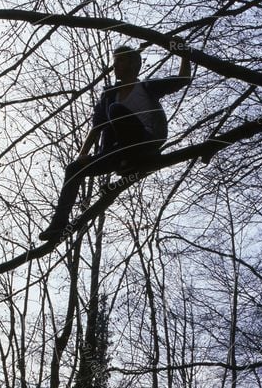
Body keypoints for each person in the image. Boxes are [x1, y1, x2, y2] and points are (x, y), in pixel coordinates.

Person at [39, 42, 192, 241]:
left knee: (116, 111)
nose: (115, 65)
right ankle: (58, 226)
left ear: (133, 64)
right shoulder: (109, 96)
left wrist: (184, 53)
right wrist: (83, 154)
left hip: (144, 143)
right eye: (114, 60)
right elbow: (97, 127)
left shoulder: (146, 87)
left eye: (120, 60)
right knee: (73, 169)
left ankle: (131, 163)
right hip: (117, 152)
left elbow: (183, 79)